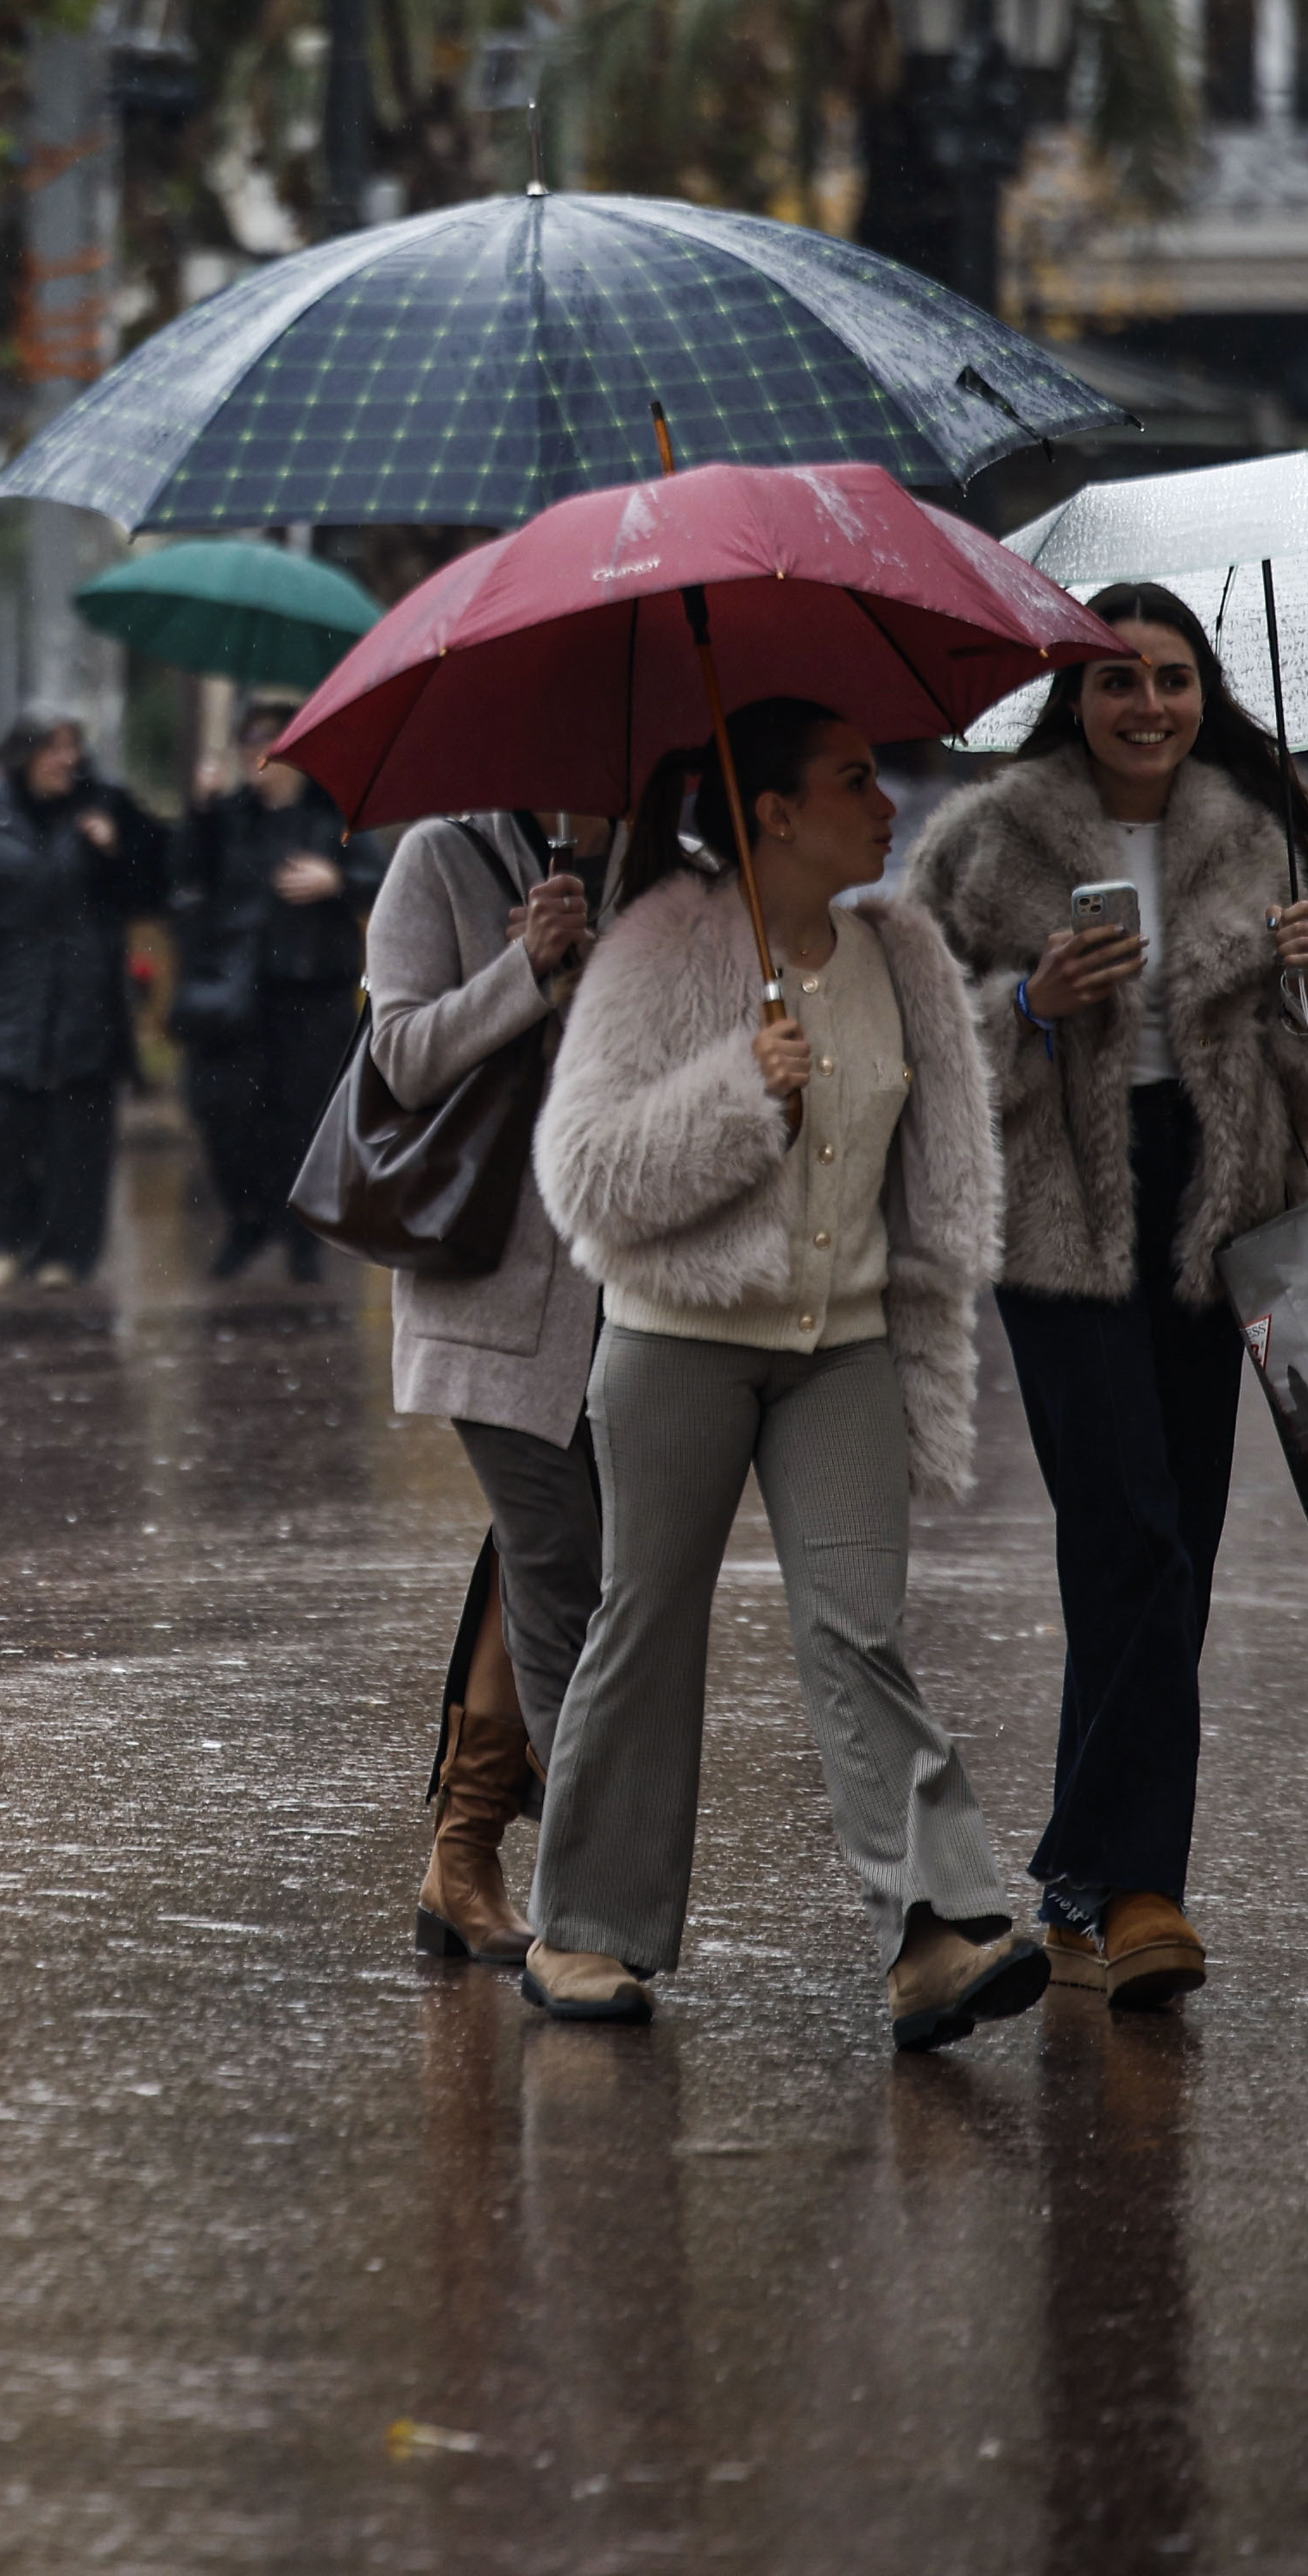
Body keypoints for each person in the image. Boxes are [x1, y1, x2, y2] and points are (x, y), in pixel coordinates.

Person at [521, 701, 1046, 2052]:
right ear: (773, 813)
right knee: (647, 1624)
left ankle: (933, 1931)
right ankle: (585, 1931)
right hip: (680, 1338)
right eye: (854, 780)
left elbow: (942, 1164)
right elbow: (583, 1173)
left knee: (858, 1627)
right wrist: (738, 1093)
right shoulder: (661, 944)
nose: (886, 805)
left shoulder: (900, 951)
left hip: (846, 1345)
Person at [911, 586, 1308, 2016]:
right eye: (1116, 680)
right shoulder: (985, 841)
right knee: (1132, 1530)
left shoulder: (1259, 834)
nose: (1146, 705)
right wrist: (1029, 1007)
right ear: (1074, 697)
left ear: (1202, 691)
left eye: (1170, 678)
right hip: (1056, 1214)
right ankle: (1137, 1887)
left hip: (1213, 1211)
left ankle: (1083, 1882)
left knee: (1175, 1543)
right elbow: (917, 1057)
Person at [357, 807, 608, 1965]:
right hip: (489, 1289)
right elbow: (402, 1056)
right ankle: (591, 1895)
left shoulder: (672, 865)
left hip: (630, 1284)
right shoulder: (440, 858)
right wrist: (527, 970)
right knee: (559, 1560)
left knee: (549, 1556)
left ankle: (461, 1857)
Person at [0, 713, 168, 1288]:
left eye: (72, 748)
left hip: (86, 991)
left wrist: (117, 850)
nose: (64, 760)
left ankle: (66, 1253)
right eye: (51, 748)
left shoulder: (108, 805)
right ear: (24, 756)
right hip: (10, 985)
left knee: (78, 1129)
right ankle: (3, 1239)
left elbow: (154, 891)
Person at [178, 699, 378, 1280]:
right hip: (241, 994)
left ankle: (301, 1239)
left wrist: (336, 879)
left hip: (313, 991)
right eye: (247, 743)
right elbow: (185, 876)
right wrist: (199, 811)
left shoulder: (330, 814)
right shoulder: (228, 816)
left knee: (304, 1117)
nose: (255, 756)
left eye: (267, 742)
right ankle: (246, 1222)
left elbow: (380, 879)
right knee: (230, 1116)